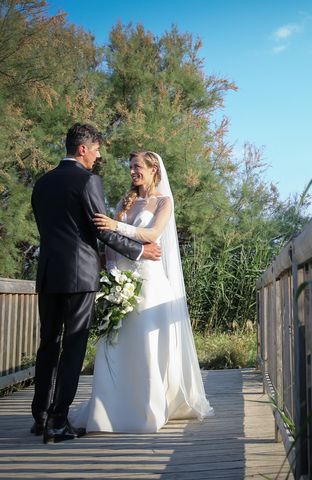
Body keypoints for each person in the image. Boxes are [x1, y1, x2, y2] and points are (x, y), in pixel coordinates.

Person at [31, 124, 162, 444]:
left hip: (48, 273)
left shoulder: (43, 183)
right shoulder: (88, 180)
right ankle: (58, 423)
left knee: (48, 344)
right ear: (82, 150)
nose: (98, 155)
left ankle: (41, 416)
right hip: (80, 275)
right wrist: (139, 251)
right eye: (96, 149)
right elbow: (100, 229)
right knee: (73, 345)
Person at [69, 151, 212, 433]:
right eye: (130, 166)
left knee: (145, 345)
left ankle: (149, 408)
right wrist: (110, 271)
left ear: (153, 170)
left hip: (149, 283)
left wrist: (116, 225)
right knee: (118, 344)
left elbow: (152, 235)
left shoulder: (164, 202)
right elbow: (110, 241)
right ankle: (109, 409)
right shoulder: (126, 201)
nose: (133, 171)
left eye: (137, 167)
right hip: (120, 280)